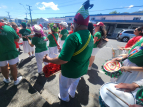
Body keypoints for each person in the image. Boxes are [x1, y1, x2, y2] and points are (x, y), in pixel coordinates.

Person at [43, 0, 94, 103]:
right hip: (81, 69)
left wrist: (48, 59)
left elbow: (63, 60)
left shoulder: (73, 37)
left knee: (63, 85)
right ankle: (72, 93)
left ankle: (64, 98)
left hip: (70, 70)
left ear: (77, 24)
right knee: (74, 83)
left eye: (74, 23)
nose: (73, 25)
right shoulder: (90, 35)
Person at [99, 38, 143, 107]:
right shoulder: (141, 39)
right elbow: (132, 52)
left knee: (124, 94)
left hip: (134, 74)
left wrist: (130, 68)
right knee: (117, 87)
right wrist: (122, 58)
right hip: (126, 69)